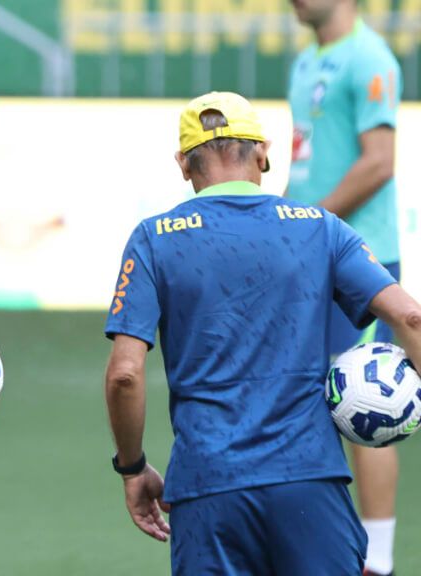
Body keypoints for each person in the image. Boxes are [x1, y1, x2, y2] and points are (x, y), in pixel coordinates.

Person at [103, 91, 421, 574]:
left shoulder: (154, 238)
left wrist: (132, 467)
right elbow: (410, 318)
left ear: (183, 166)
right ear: (264, 152)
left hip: (207, 487)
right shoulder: (321, 228)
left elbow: (125, 375)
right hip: (309, 480)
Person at [287, 1, 403, 572]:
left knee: (364, 400)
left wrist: (310, 226)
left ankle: (377, 561)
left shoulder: (369, 57)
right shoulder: (307, 60)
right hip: (310, 257)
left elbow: (379, 163)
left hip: (361, 260)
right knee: (304, 397)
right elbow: (304, 160)